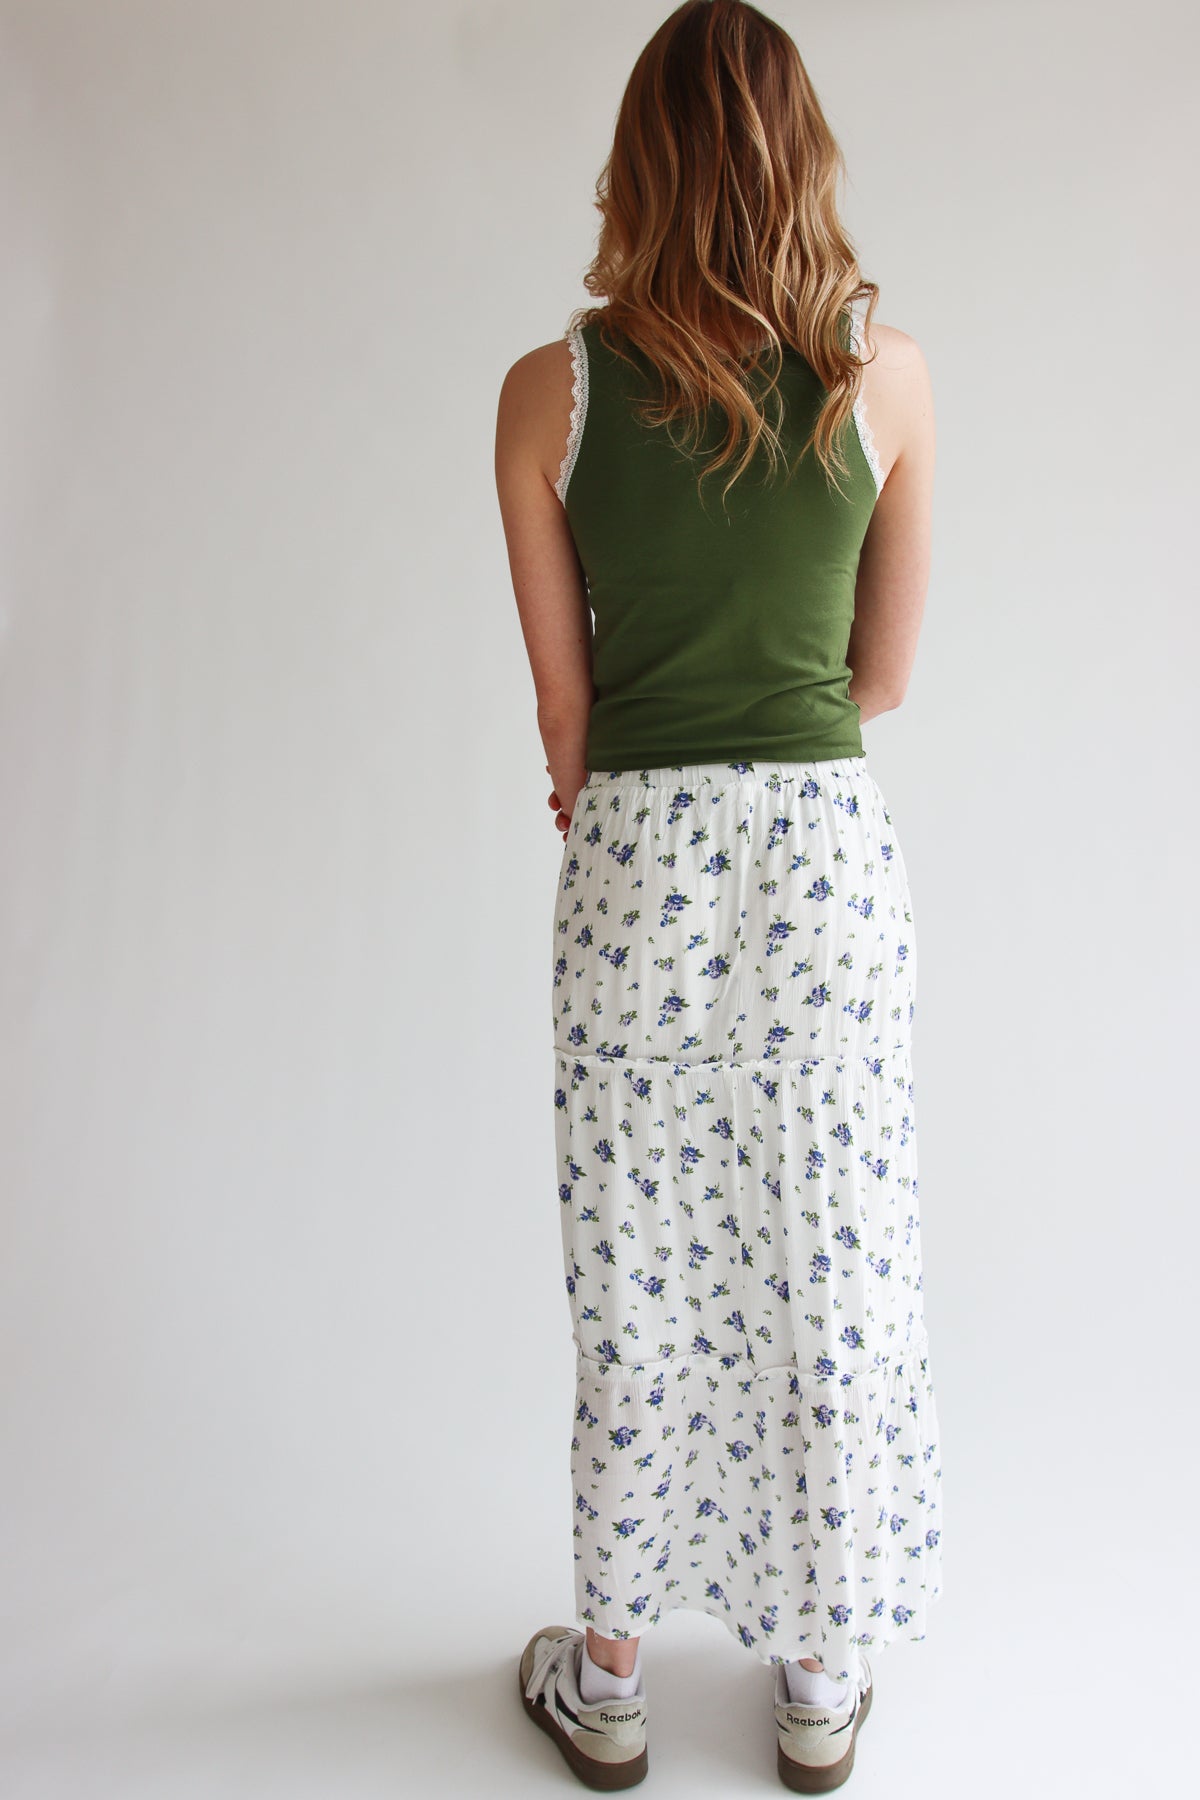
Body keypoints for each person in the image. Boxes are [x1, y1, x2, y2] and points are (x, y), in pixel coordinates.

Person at [494, 2, 942, 1789]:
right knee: (835, 1251)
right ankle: (822, 1684)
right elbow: (883, 675)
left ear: (640, 164)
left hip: (639, 860)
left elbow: (562, 710)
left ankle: (609, 1681)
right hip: (828, 858)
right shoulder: (882, 374)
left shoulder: (554, 390)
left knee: (639, 1261)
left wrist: (616, 805)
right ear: (801, 155)